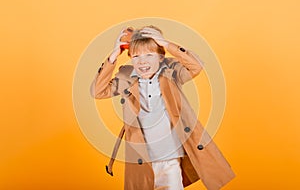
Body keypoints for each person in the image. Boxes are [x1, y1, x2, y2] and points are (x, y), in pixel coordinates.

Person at [91, 25, 235, 190]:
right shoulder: (126, 76)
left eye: (150, 55)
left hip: (170, 157)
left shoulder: (171, 72)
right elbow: (98, 91)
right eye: (136, 56)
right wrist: (113, 56)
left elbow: (196, 66)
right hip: (142, 161)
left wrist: (166, 44)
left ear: (161, 58)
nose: (142, 61)